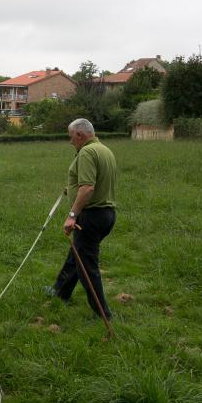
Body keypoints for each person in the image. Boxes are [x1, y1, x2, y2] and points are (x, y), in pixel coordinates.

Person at [45, 118, 116, 320]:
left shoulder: (86, 152)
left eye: (71, 137)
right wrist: (72, 188)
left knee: (86, 267)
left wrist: (72, 215)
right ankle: (60, 292)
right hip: (107, 215)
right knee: (77, 254)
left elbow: (88, 188)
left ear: (79, 135)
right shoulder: (104, 150)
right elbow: (94, 181)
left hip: (91, 216)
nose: (70, 141)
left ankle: (103, 314)